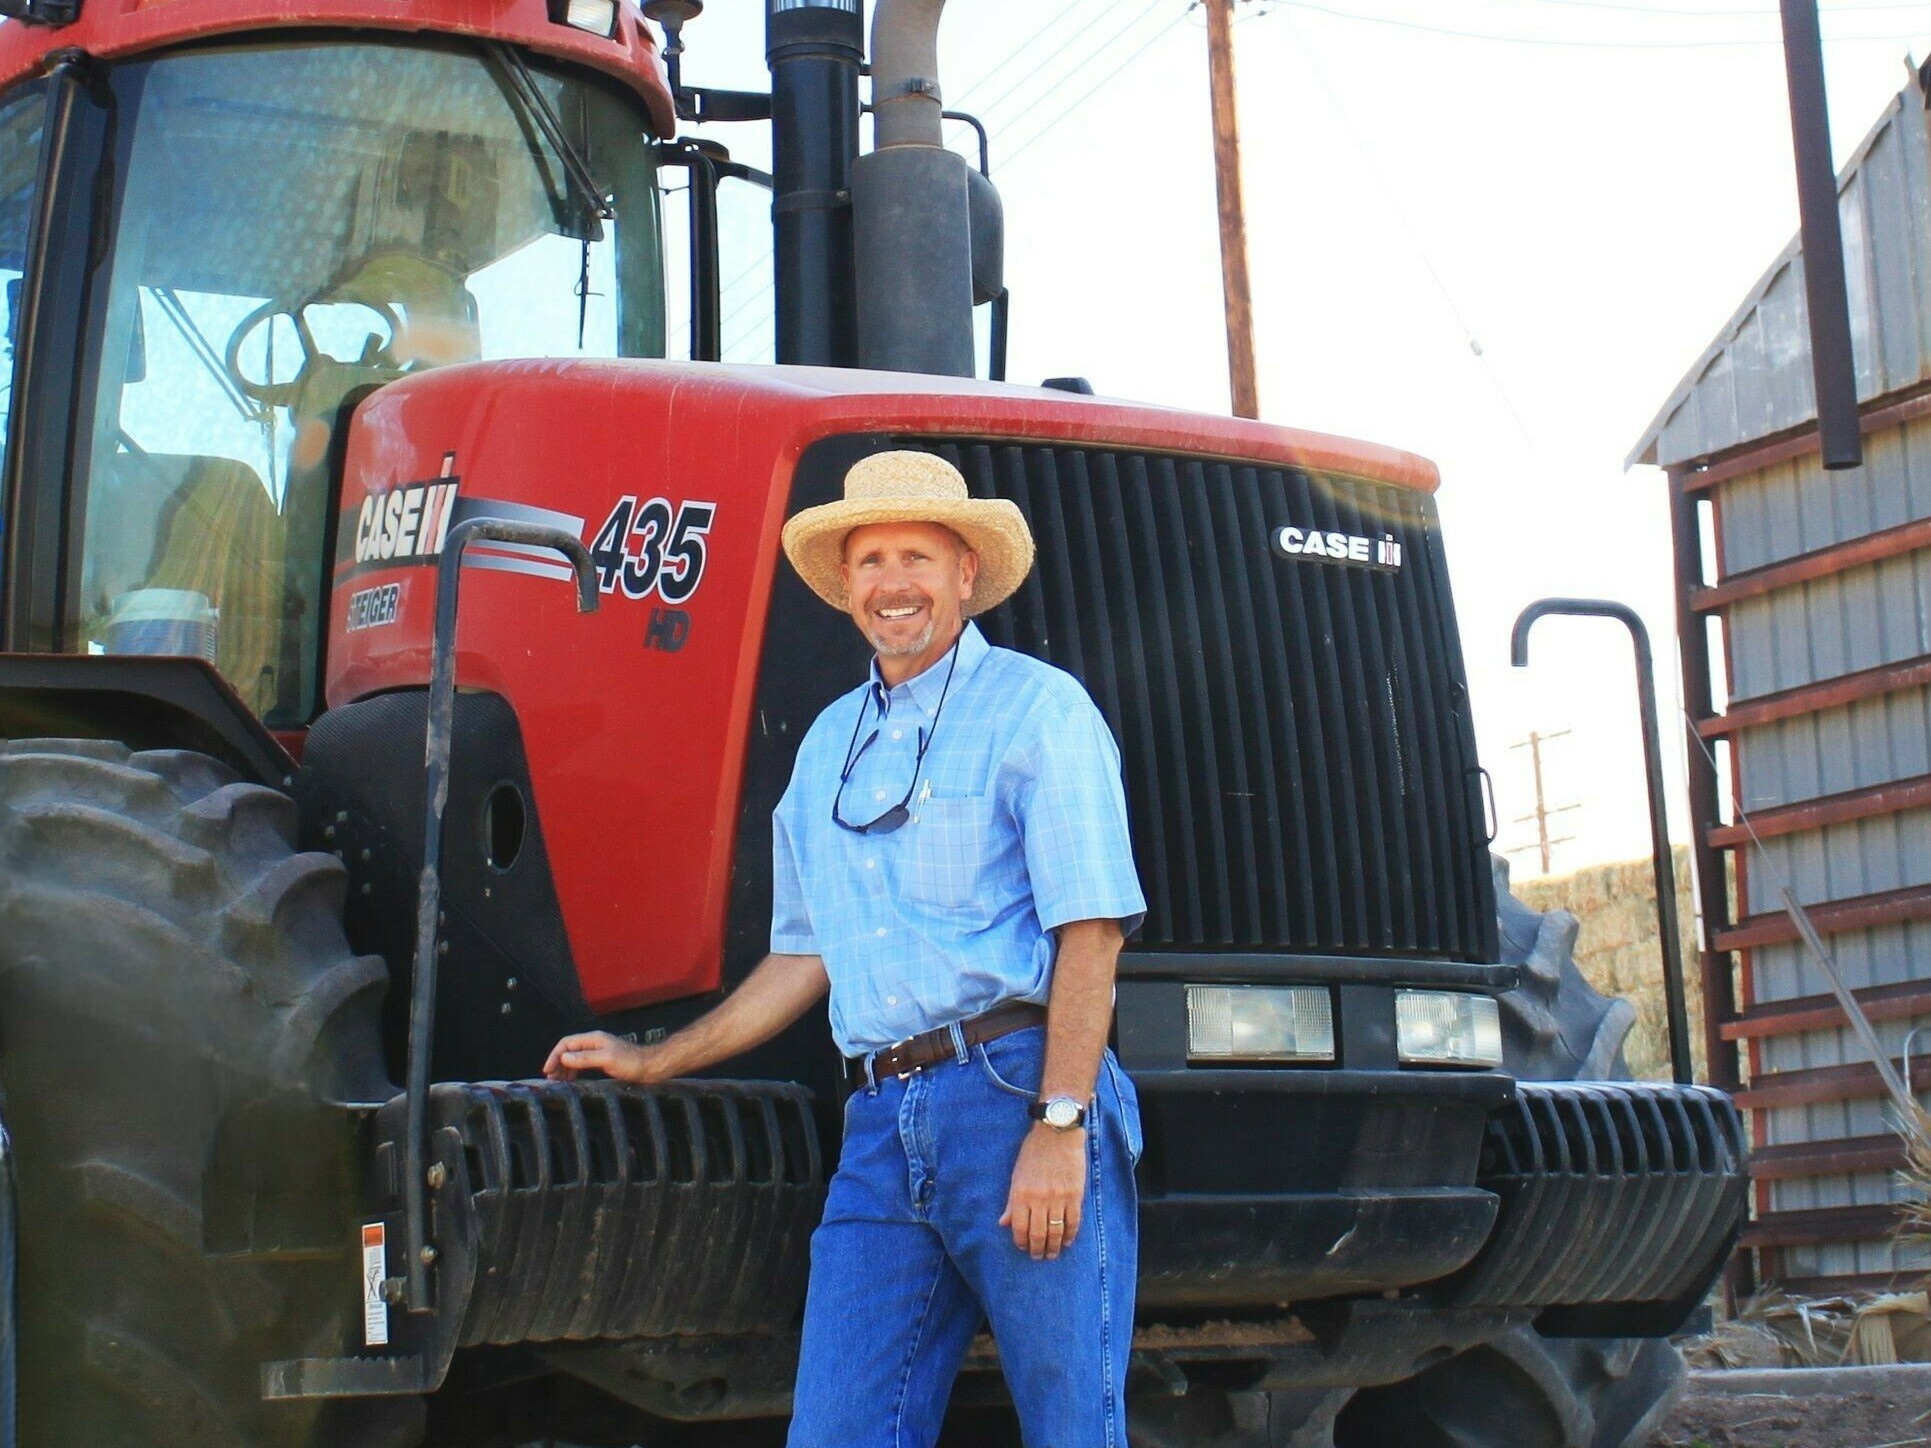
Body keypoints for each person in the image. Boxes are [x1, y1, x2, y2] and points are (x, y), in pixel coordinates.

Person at [543, 450, 1146, 1448]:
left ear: (964, 572)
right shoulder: (827, 743)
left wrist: (1060, 1122)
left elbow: (1089, 931)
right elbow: (802, 954)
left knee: (1074, 1428)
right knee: (837, 1431)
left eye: (915, 553)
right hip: (876, 1123)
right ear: (845, 588)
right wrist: (656, 1057)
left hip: (1012, 1094)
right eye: (867, 559)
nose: (890, 581)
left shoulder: (1037, 710)